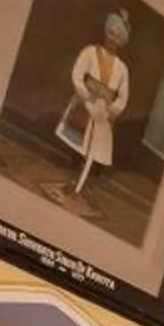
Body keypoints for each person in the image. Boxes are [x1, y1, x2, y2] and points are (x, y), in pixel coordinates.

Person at [55, 11, 133, 206]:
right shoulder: (89, 52)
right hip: (85, 104)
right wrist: (85, 96)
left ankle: (82, 185)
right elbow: (77, 75)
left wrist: (112, 110)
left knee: (94, 152)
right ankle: (71, 180)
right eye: (110, 32)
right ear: (105, 31)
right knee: (78, 146)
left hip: (103, 114)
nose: (112, 38)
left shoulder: (122, 69)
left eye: (117, 36)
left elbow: (123, 96)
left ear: (122, 40)